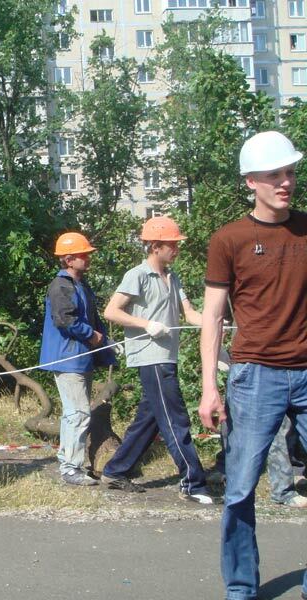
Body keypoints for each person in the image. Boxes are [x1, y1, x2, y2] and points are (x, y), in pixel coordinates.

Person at [199, 131, 307, 600]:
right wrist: (209, 388)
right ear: (251, 181)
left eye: (290, 172)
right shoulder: (229, 239)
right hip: (254, 376)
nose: (286, 182)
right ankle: (242, 587)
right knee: (241, 489)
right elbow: (212, 318)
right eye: (274, 174)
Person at [100, 216, 214, 504]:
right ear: (154, 246)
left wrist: (214, 325)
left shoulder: (172, 277)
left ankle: (116, 470)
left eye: (176, 244)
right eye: (171, 245)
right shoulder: (136, 275)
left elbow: (190, 314)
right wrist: (146, 324)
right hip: (150, 358)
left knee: (150, 419)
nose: (176, 249)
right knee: (176, 419)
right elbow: (111, 311)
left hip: (167, 356)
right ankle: (193, 482)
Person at [39, 232, 116, 486]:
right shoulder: (60, 286)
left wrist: (105, 344)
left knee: (75, 412)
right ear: (69, 259)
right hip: (68, 358)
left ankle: (68, 461)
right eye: (84, 254)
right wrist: (92, 335)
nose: (88, 257)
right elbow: (65, 321)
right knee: (79, 413)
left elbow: (93, 320)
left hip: (82, 358)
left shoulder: (81, 285)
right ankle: (71, 468)